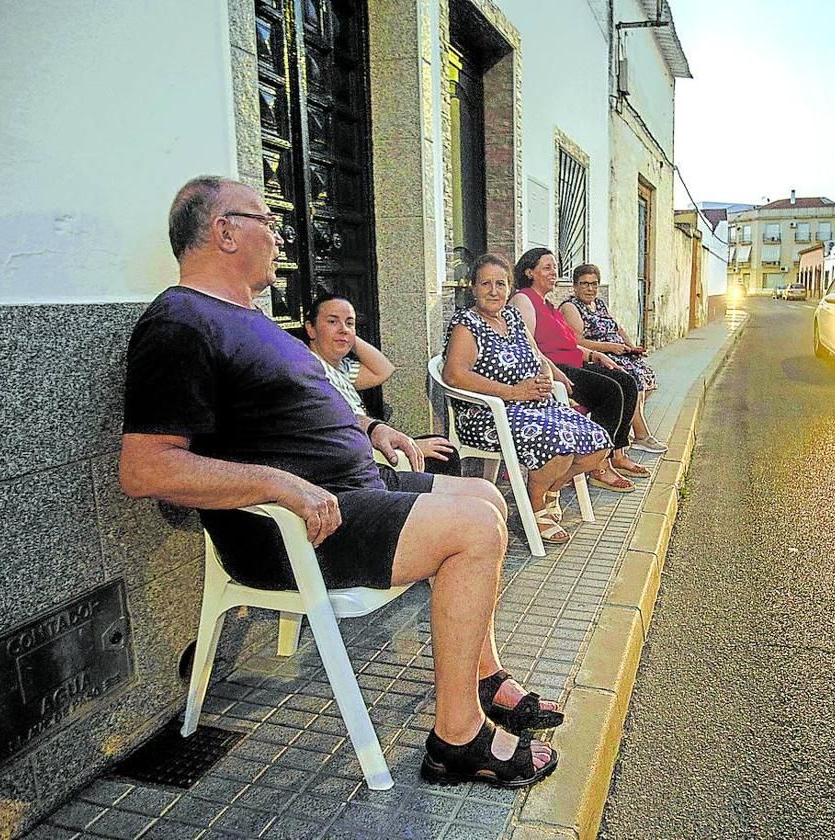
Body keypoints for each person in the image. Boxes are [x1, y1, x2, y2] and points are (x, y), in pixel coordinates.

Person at [119, 176, 559, 788]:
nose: (278, 235)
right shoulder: (180, 324)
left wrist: (372, 426)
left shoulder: (249, 319)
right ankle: (457, 736)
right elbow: (147, 468)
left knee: (485, 496)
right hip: (300, 528)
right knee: (474, 529)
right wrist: (280, 484)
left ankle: (480, 675)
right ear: (223, 231)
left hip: (354, 488)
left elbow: (306, 402)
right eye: (265, 221)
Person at [442, 254, 612, 544]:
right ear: (473, 288)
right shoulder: (466, 324)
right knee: (558, 444)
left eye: (501, 283)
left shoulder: (512, 317)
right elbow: (454, 375)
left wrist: (547, 377)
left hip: (534, 405)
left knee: (598, 443)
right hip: (488, 413)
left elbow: (538, 355)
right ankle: (533, 506)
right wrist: (513, 392)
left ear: (509, 288)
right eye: (486, 283)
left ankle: (547, 489)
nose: (494, 290)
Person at [509, 248, 647, 493]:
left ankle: (616, 453)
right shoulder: (523, 300)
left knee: (627, 382)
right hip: (553, 370)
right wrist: (553, 370)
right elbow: (527, 346)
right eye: (547, 267)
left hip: (573, 363)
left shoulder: (548, 305)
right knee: (610, 391)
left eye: (555, 267)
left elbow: (571, 343)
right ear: (530, 272)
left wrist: (595, 355)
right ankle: (599, 465)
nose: (554, 272)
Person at [305, 291, 461, 476]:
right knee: (443, 455)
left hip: (369, 442)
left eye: (349, 322)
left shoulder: (341, 367)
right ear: (311, 329)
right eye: (332, 321)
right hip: (353, 458)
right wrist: (409, 447)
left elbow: (384, 370)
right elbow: (343, 427)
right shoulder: (310, 367)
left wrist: (347, 336)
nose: (343, 328)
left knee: (443, 448)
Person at [560, 264, 667, 454]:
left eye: (594, 284)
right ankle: (641, 435)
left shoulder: (599, 304)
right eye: (584, 284)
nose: (590, 288)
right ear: (574, 286)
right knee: (631, 379)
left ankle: (628, 425)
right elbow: (577, 341)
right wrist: (611, 348)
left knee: (646, 378)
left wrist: (631, 347)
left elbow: (617, 329)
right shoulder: (570, 307)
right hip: (598, 357)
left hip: (617, 352)